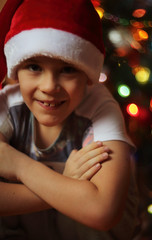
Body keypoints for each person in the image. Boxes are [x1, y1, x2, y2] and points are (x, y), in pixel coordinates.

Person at [0, 0, 139, 239]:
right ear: (16, 73)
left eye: (67, 69)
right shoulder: (8, 104)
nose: (49, 86)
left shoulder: (100, 108)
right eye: (34, 67)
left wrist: (19, 167)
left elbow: (102, 210)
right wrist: (65, 185)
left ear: (87, 75)